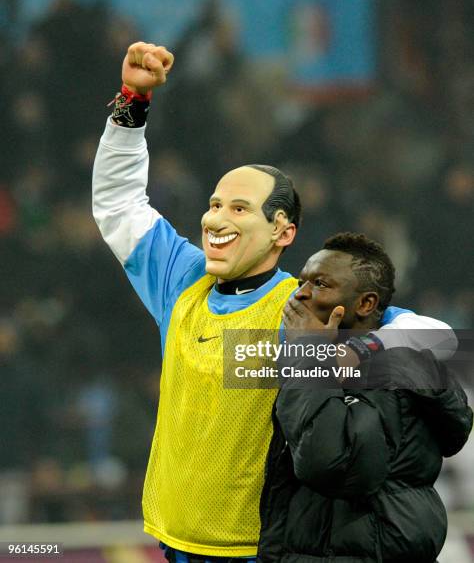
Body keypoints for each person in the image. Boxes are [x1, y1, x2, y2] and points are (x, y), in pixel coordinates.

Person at [92, 42, 457, 561]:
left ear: (282, 231)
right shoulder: (181, 279)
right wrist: (133, 102)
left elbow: (437, 344)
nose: (215, 220)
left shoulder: (307, 306)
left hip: (260, 549)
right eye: (215, 204)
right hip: (172, 540)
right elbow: (119, 204)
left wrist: (338, 355)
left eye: (239, 208)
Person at [257, 232, 473, 563]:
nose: (301, 294)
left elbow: (326, 462)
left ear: (366, 304)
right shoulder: (332, 360)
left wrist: (307, 352)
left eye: (321, 284)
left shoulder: (386, 376)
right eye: (302, 282)